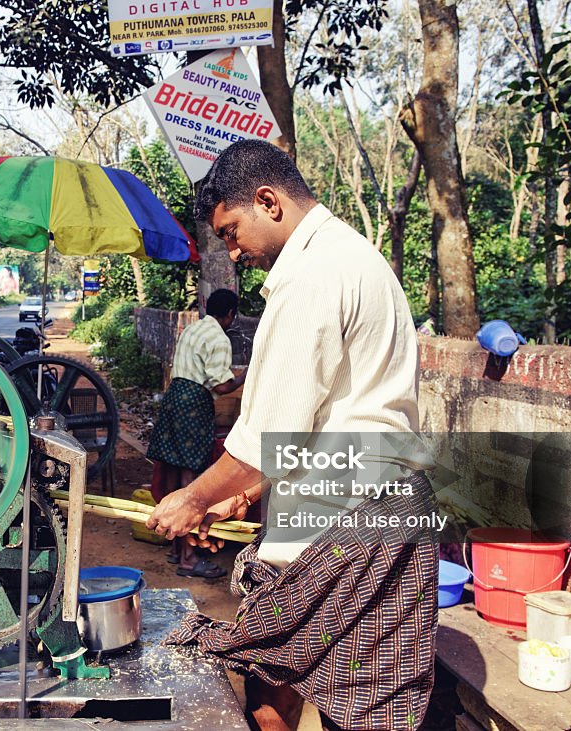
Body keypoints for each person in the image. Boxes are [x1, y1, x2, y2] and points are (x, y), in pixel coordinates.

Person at [146, 140, 437, 731]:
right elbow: (334, 413)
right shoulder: (351, 255)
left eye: (230, 232)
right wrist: (246, 493)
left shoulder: (312, 275)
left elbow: (269, 435)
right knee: (341, 694)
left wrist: (195, 497)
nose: (233, 251)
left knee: (310, 693)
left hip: (345, 522)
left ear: (268, 201)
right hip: (376, 506)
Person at [146, 288, 247, 579]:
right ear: (230, 314)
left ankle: (177, 548)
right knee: (191, 479)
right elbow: (221, 387)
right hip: (194, 405)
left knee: (177, 475)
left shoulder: (193, 329)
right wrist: (247, 374)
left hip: (175, 398)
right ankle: (189, 559)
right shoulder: (218, 338)